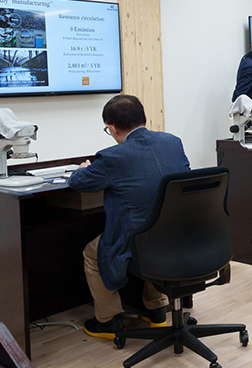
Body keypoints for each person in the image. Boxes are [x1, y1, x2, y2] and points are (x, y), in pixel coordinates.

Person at [69, 94, 191, 338]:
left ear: (112, 128)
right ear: (144, 118)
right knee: (153, 230)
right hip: (177, 237)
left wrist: (83, 169)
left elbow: (77, 182)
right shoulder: (173, 142)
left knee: (92, 254)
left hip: (141, 244)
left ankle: (109, 320)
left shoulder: (112, 157)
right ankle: (156, 309)